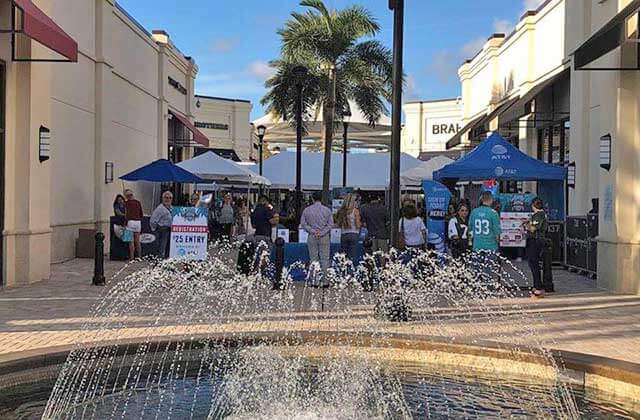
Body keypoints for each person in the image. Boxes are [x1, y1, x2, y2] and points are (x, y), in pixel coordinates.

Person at [300, 191, 334, 276]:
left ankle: (315, 281)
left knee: (313, 259)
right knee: (325, 259)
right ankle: (325, 281)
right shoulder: (327, 210)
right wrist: (322, 232)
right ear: (321, 199)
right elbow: (330, 224)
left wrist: (313, 231)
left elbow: (303, 224)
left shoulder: (307, 210)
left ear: (312, 198)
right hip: (324, 236)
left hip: (312, 236)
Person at [525, 197, 549, 298]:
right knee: (533, 264)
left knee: (534, 264)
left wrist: (526, 225)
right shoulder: (539, 215)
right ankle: (537, 286)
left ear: (533, 205)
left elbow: (534, 228)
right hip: (536, 240)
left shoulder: (539, 215)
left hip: (535, 241)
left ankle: (538, 287)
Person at [336, 193, 362, 263]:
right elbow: (357, 225)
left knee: (343, 255)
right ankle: (350, 271)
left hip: (344, 234)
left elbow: (338, 224)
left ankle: (342, 270)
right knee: (351, 256)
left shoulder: (341, 211)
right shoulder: (355, 211)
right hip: (354, 234)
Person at [150, 191, 173, 258]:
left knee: (167, 247)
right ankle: (160, 260)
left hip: (170, 229)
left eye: (170, 198)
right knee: (162, 247)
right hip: (162, 229)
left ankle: (166, 259)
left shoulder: (172, 208)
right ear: (163, 198)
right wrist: (155, 228)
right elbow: (153, 220)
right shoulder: (160, 208)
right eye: (166, 197)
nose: (168, 199)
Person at [124, 189, 143, 260]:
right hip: (138, 222)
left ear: (126, 196)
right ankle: (139, 256)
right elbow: (141, 213)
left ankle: (131, 257)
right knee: (137, 241)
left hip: (130, 222)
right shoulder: (138, 202)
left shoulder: (126, 203)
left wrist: (125, 224)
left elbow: (126, 215)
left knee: (131, 241)